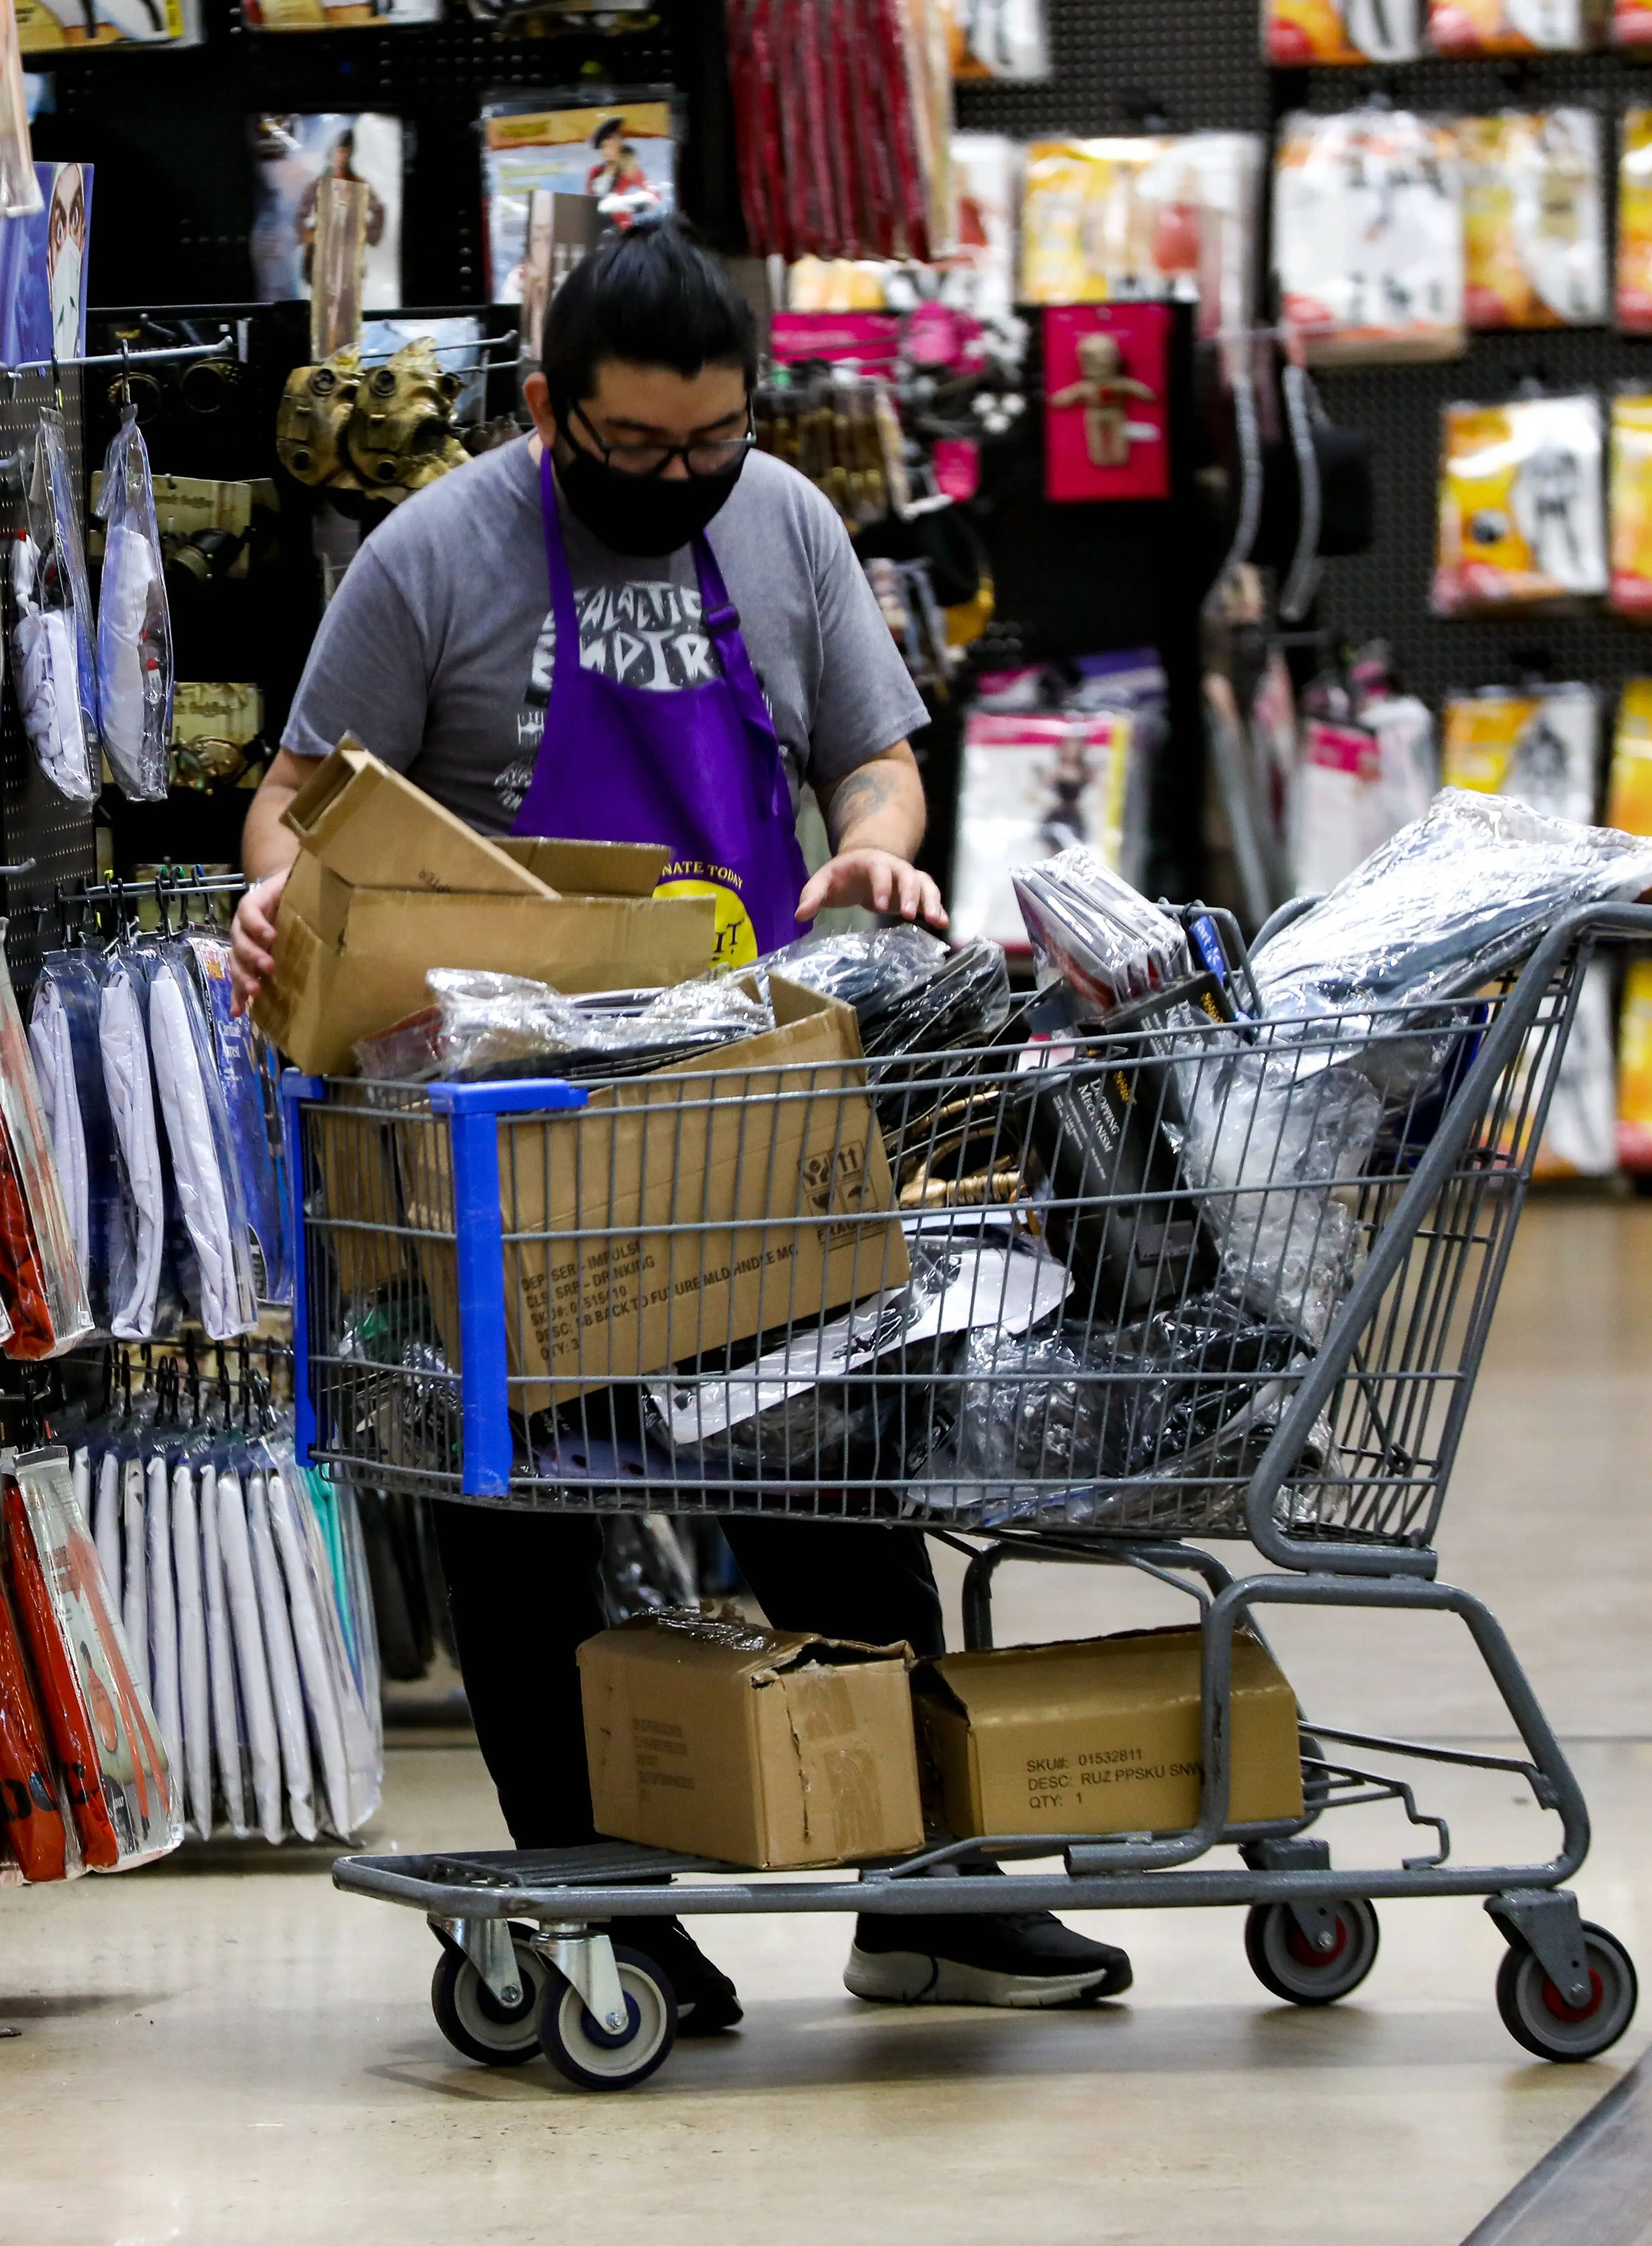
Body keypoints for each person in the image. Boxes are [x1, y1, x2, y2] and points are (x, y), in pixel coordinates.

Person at [231, 216, 1134, 2023]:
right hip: (505, 1123)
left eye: (708, 442)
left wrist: (874, 835)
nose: (675, 478)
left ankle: (923, 1895)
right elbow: (293, 799)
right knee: (519, 1511)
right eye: (633, 449)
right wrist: (274, 898)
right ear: (547, 410)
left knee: (832, 1467)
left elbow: (868, 749)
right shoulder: (430, 555)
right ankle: (598, 1905)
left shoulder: (785, 522)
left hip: (744, 1087)